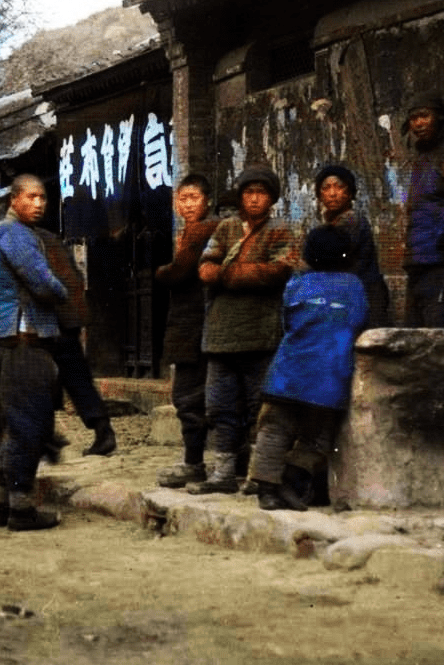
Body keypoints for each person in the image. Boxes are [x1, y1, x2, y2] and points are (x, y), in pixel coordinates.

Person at [191, 164, 300, 495]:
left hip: (261, 335)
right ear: (240, 197)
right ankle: (223, 473)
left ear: (271, 199)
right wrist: (233, 273)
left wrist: (229, 273)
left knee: (259, 408)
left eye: (261, 193)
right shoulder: (225, 229)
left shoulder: (280, 231)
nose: (254, 199)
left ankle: (258, 474)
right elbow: (205, 268)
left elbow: (279, 270)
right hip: (221, 336)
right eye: (249, 192)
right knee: (220, 406)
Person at [244, 225, 369, 511]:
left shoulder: (297, 283)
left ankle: (267, 490)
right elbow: (360, 321)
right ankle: (291, 479)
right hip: (330, 380)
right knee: (318, 437)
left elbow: (287, 320)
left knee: (275, 430)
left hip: (287, 375)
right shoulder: (355, 286)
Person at [0, 174, 67, 531]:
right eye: (31, 197)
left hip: (1, 340)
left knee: (14, 428)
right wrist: (64, 291)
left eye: (43, 197)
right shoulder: (14, 233)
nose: (39, 204)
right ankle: (23, 511)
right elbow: (42, 282)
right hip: (22, 338)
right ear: (14, 200)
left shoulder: (3, 233)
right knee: (29, 427)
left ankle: (2, 505)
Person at [154, 174, 220, 489]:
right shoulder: (190, 232)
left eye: (194, 197)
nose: (188, 204)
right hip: (193, 324)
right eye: (183, 198)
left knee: (188, 396)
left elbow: (178, 272)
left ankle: (195, 463)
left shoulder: (203, 230)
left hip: (195, 325)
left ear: (207, 200)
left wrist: (161, 272)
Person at [36, 226, 117, 456]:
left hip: (48, 318)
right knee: (76, 378)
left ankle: (46, 438)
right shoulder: (50, 238)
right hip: (66, 318)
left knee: (37, 377)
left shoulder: (28, 240)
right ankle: (103, 430)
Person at [400, 91, 444, 328]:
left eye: (424, 116)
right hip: (417, 260)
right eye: (414, 118)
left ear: (440, 117)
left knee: (437, 332)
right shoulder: (420, 158)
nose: (418, 123)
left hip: (440, 261)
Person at [314, 164, 390, 328]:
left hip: (362, 300)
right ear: (320, 195)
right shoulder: (332, 224)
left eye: (339, 187)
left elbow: (331, 258)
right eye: (326, 188)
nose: (333, 194)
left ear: (350, 193)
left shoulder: (350, 220)